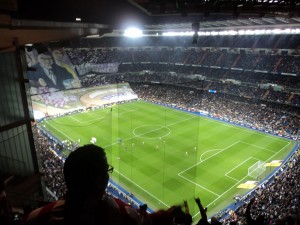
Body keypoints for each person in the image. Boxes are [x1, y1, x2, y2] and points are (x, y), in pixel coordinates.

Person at [23, 144, 186, 225]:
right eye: (107, 170)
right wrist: (169, 213)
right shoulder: (119, 213)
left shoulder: (37, 217)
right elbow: (148, 221)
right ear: (100, 181)